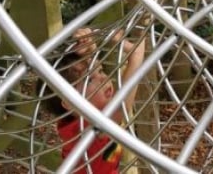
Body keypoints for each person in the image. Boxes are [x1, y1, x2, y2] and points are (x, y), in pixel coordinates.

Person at [49, 27, 146, 173]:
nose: (103, 79)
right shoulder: (86, 131)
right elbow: (122, 108)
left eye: (100, 70)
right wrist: (136, 56)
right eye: (89, 80)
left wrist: (89, 51)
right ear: (68, 102)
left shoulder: (77, 118)